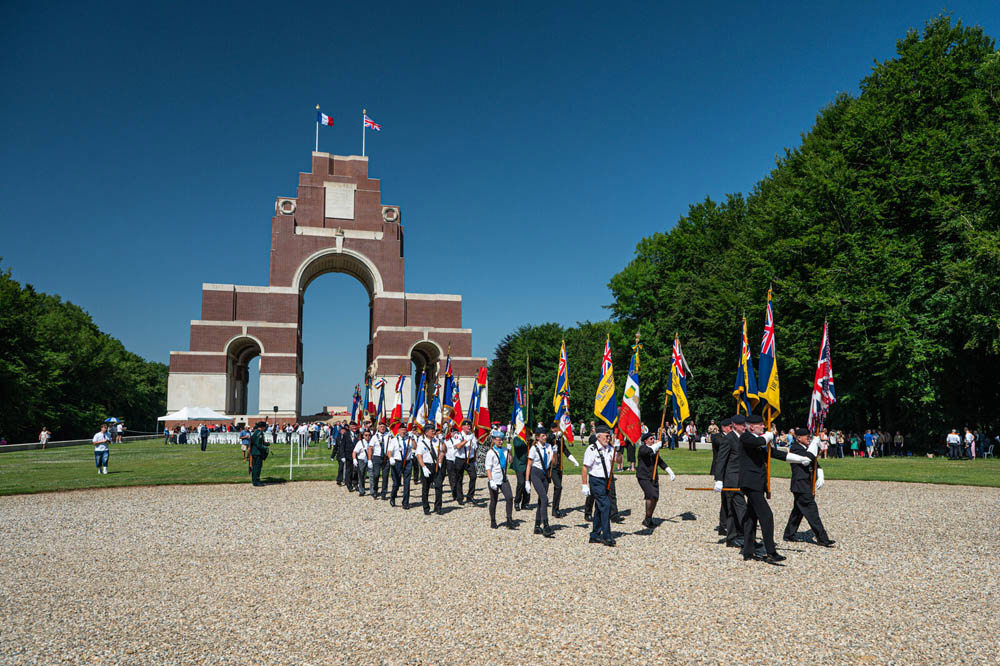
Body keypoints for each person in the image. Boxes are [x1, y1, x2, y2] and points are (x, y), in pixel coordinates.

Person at [738, 414, 811, 563]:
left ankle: (748, 550)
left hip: (757, 484)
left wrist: (800, 459)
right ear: (752, 427)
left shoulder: (759, 442)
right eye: (761, 425)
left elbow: (775, 454)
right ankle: (771, 552)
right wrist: (769, 435)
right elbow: (759, 441)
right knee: (766, 516)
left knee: (751, 517)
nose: (763, 427)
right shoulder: (746, 437)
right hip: (751, 484)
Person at [782, 428, 835, 548]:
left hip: (806, 483)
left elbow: (815, 462)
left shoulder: (806, 448)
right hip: (801, 485)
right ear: (798, 438)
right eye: (806, 436)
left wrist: (820, 473)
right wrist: (814, 444)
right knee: (812, 511)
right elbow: (807, 459)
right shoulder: (796, 448)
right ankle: (822, 538)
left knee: (798, 511)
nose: (808, 438)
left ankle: (789, 534)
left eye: (809, 436)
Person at [582, 424, 616, 546]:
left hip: (607, 480)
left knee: (599, 509)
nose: (608, 438)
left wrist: (619, 451)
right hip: (596, 481)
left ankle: (595, 535)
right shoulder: (591, 449)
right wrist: (584, 485)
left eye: (609, 436)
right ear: (599, 436)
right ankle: (607, 536)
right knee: (606, 506)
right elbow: (585, 468)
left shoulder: (610, 448)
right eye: (607, 436)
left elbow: (619, 461)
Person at [714, 417, 745, 548]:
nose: (745, 427)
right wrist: (719, 480)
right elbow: (721, 460)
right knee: (741, 508)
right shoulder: (728, 439)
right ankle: (744, 535)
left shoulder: (743, 437)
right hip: (731, 479)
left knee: (733, 509)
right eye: (742, 425)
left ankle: (733, 537)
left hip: (741, 478)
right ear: (734, 425)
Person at [636, 430, 674, 529]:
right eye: (651, 439)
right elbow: (647, 452)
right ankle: (648, 519)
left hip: (653, 477)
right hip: (644, 477)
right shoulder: (642, 448)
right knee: (650, 495)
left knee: (655, 497)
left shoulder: (654, 450)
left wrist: (669, 471)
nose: (653, 440)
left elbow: (660, 462)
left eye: (653, 438)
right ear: (645, 441)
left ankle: (648, 518)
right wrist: (657, 446)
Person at [546, 421, 579, 518]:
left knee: (558, 488)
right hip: (551, 466)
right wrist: (554, 435)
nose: (556, 430)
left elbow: (564, 450)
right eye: (554, 428)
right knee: (554, 487)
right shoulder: (551, 437)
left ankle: (555, 509)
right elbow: (548, 439)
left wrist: (573, 460)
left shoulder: (560, 438)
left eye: (557, 428)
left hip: (559, 466)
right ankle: (543, 506)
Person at [526, 427, 555, 537]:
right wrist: (527, 481)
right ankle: (546, 525)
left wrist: (555, 452)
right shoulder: (534, 448)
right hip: (535, 473)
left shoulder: (548, 446)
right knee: (544, 498)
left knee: (541, 501)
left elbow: (554, 462)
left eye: (545, 435)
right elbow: (529, 465)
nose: (545, 437)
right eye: (543, 435)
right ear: (537, 437)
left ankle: (537, 526)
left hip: (545, 475)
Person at [484, 432, 515, 529]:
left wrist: (510, 451)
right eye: (498, 440)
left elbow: (510, 461)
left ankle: (509, 519)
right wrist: (491, 480)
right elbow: (488, 468)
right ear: (493, 440)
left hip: (504, 478)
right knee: (494, 500)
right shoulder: (490, 452)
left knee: (509, 498)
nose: (501, 442)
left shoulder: (505, 450)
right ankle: (493, 520)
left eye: (502, 440)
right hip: (494, 479)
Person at [417, 424, 445, 515]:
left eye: (434, 430)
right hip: (427, 466)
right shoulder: (421, 443)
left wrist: (442, 441)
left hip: (436, 466)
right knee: (426, 488)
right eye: (431, 430)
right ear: (426, 432)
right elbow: (419, 456)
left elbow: (443, 451)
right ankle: (426, 508)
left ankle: (438, 507)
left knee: (439, 487)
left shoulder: (437, 441)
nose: (433, 431)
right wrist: (423, 467)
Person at [388, 428, 415, 508]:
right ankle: (392, 497)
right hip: (397, 462)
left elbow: (415, 447)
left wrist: (413, 439)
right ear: (398, 431)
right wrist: (390, 458)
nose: (403, 432)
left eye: (405, 430)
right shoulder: (394, 440)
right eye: (401, 430)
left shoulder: (409, 439)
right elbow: (389, 451)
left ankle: (405, 503)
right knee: (396, 482)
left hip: (407, 462)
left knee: (407, 483)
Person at [710, 422, 729, 535]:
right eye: (730, 427)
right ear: (723, 427)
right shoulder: (717, 437)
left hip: (730, 470)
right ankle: (724, 525)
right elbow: (723, 445)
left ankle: (728, 523)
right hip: (721, 470)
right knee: (726, 498)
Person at [453, 420, 478, 504]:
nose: (469, 427)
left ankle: (470, 496)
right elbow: (458, 446)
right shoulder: (458, 435)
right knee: (459, 478)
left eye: (470, 426)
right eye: (467, 426)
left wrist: (475, 460)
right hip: (460, 459)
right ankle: (459, 497)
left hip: (470, 460)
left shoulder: (472, 436)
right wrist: (466, 440)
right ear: (462, 427)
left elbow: (475, 449)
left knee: (473, 476)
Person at [368, 422, 391, 500]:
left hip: (386, 458)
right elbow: (370, 448)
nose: (382, 428)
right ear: (378, 428)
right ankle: (375, 491)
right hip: (377, 458)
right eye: (381, 427)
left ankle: (384, 493)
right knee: (376, 475)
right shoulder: (374, 437)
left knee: (385, 476)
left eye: (383, 427)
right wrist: (369, 460)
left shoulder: (389, 436)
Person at [511, 427, 530, 511]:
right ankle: (517, 501)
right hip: (519, 464)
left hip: (528, 464)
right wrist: (525, 440)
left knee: (528, 483)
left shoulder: (530, 440)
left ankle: (525, 503)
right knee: (521, 483)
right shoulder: (517, 439)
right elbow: (517, 446)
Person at [337, 422, 360, 489]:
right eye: (353, 426)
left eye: (355, 426)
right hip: (348, 455)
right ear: (350, 427)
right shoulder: (346, 434)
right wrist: (342, 456)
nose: (354, 428)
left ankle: (355, 484)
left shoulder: (359, 434)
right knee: (349, 471)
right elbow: (342, 446)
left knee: (356, 471)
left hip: (357, 455)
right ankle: (349, 484)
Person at [248, 421, 269, 486]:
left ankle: (254, 480)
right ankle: (256, 481)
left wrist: (266, 443)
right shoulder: (260, 433)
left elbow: (257, 442)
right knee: (257, 467)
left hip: (254, 452)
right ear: (263, 427)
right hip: (258, 452)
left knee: (254, 467)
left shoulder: (256, 432)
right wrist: (265, 448)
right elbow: (258, 444)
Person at [353, 430, 370, 496]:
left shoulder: (372, 442)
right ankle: (361, 490)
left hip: (370, 460)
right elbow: (354, 452)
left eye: (369, 435)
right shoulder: (360, 443)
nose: (368, 437)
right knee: (361, 476)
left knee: (372, 476)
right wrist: (354, 459)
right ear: (363, 436)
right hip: (362, 460)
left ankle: (373, 490)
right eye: (366, 435)